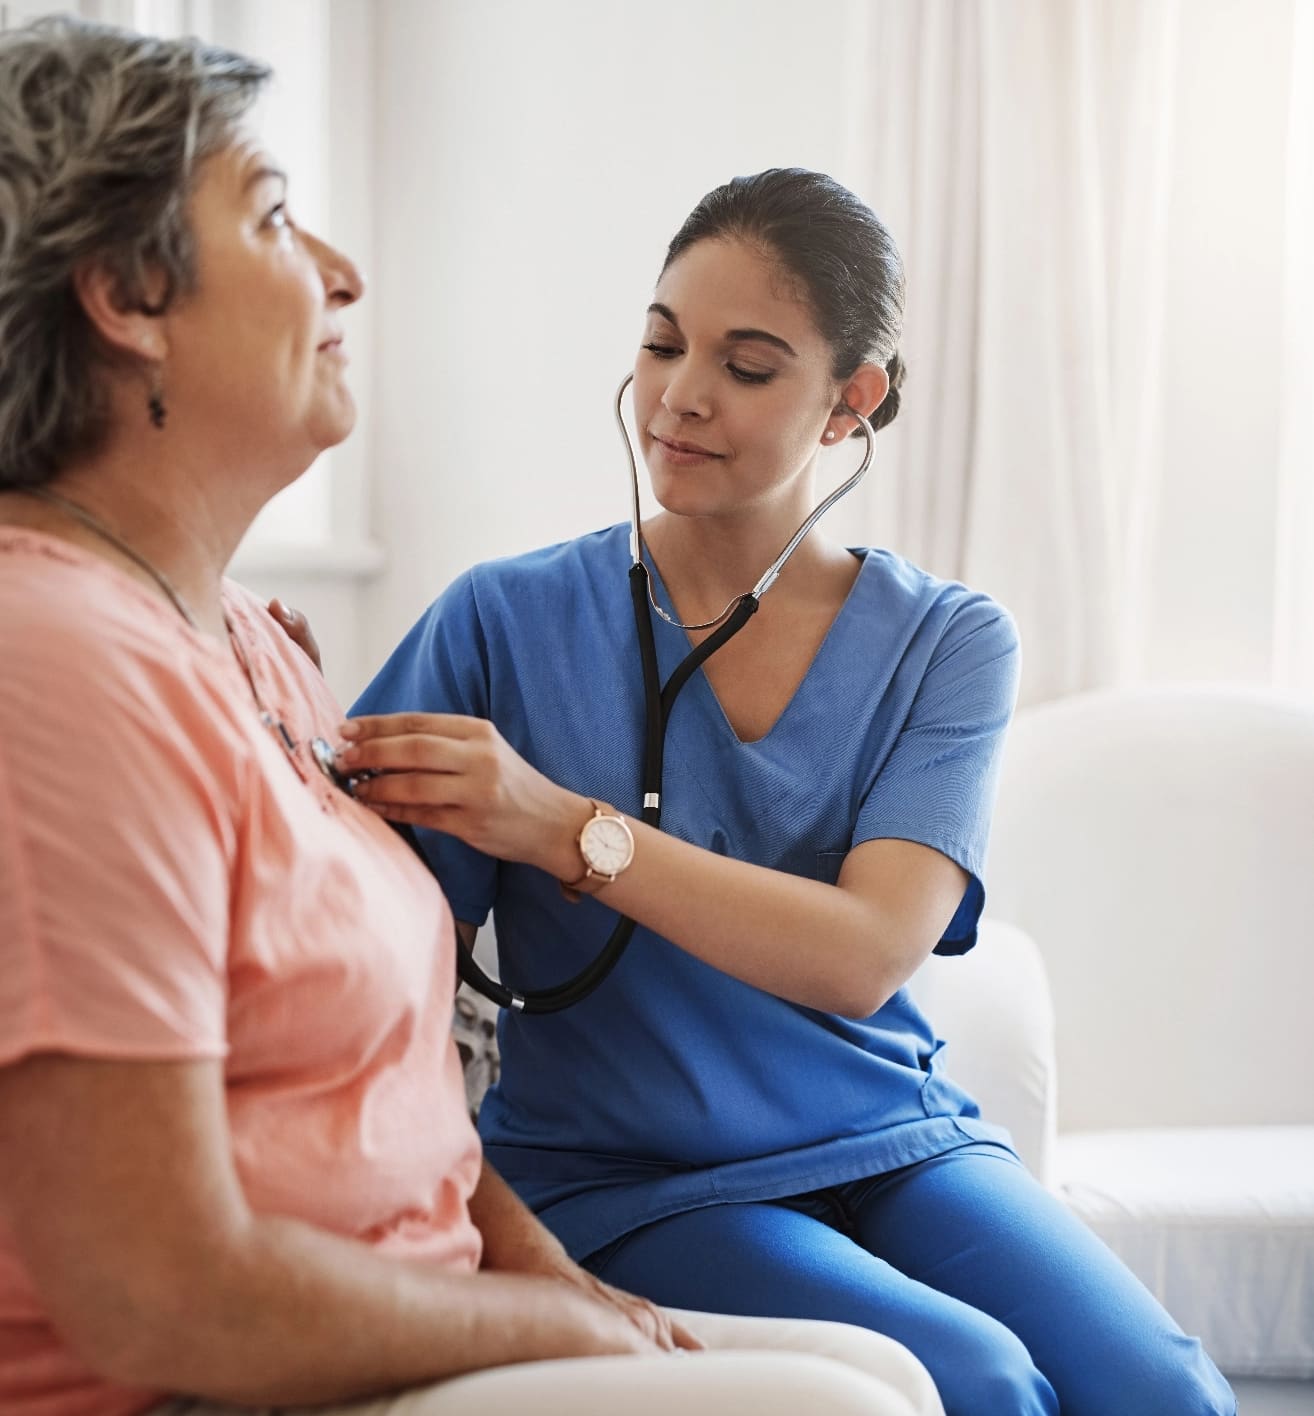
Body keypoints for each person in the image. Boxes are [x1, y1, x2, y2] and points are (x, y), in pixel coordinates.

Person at [0, 19, 947, 1416]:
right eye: (272, 216)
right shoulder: (57, 666)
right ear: (127, 296)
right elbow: (159, 1298)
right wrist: (550, 1337)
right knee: (854, 1405)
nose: (343, 271)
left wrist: (545, 1278)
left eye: (749, 367)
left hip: (434, 1284)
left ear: (846, 404)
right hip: (221, 1380)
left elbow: (396, 1080)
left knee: (880, 1371)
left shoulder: (251, 638)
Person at [346, 169, 1237, 1416]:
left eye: (748, 366)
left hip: (897, 1140)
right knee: (979, 1383)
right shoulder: (500, 622)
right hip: (625, 1172)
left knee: (1166, 1391)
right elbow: (363, 952)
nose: (681, 395)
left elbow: (866, 954)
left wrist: (563, 829)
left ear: (849, 402)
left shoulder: (949, 641)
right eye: (662, 344)